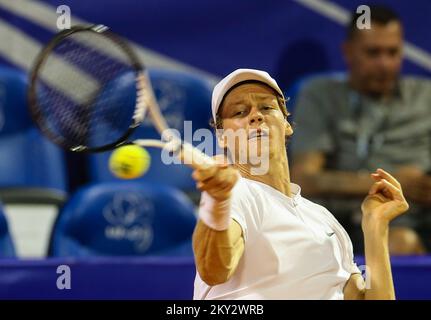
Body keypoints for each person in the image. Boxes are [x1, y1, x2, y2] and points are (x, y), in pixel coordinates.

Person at [191, 68, 409, 299]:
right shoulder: (235, 193)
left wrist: (375, 227)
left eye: (266, 107)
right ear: (222, 136)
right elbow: (214, 270)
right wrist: (217, 201)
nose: (255, 115)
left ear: (287, 124)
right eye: (239, 112)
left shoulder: (324, 219)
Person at [290, 5, 430, 255]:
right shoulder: (320, 95)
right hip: (336, 219)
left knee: (399, 241)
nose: (384, 64)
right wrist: (392, 184)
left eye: (393, 52)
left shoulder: (425, 98)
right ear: (348, 52)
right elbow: (303, 179)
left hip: (408, 220)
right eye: (373, 53)